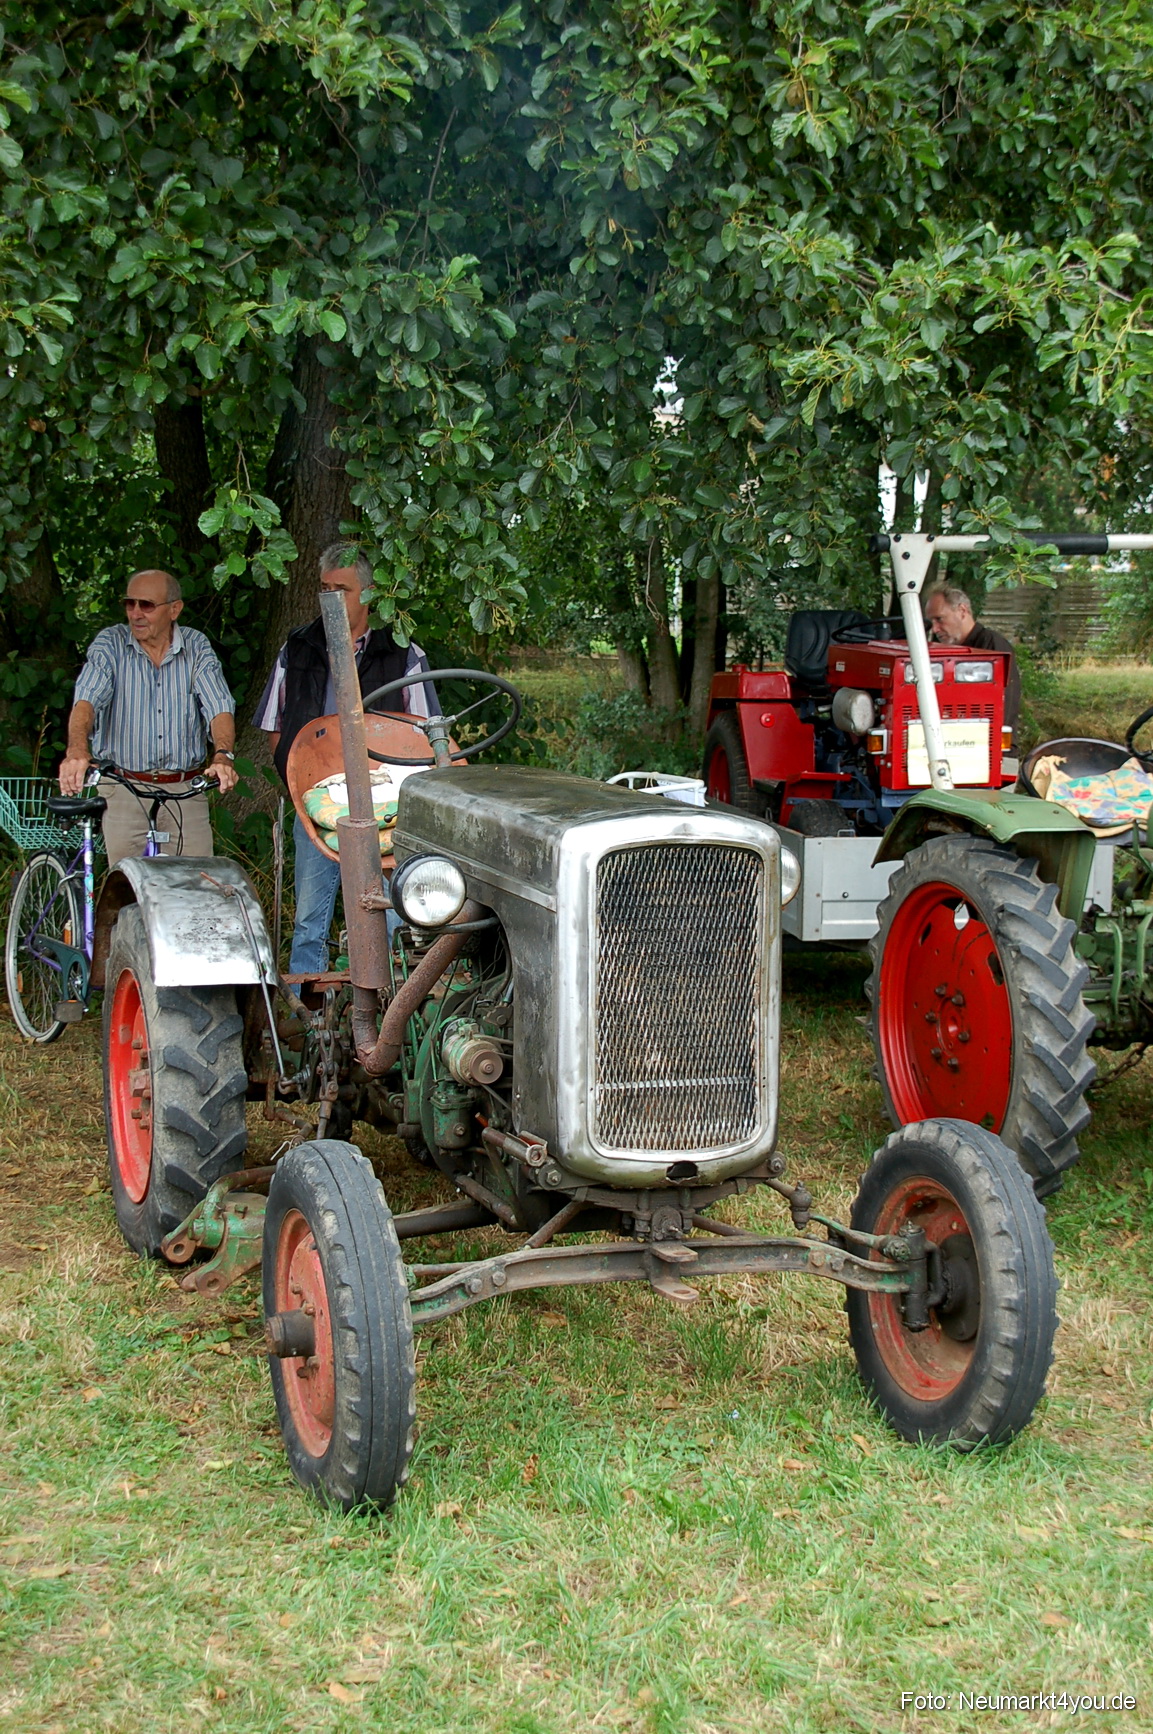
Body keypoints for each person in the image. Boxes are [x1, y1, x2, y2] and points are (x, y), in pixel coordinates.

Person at [253, 542, 437, 975]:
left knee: (393, 913)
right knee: (309, 920)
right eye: (325, 588)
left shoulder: (402, 652)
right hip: (317, 803)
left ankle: (394, 1003)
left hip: (387, 808)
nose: (330, 598)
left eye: (342, 589)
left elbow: (426, 739)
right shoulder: (298, 647)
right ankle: (309, 1008)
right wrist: (302, 787)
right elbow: (276, 726)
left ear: (368, 594)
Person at [58, 569, 237, 866]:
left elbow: (219, 707)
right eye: (130, 604)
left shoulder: (196, 646)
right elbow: (86, 700)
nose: (136, 613)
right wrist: (77, 750)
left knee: (196, 882)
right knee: (126, 884)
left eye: (147, 605)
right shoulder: (111, 644)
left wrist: (223, 756)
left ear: (174, 609)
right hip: (124, 786)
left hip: (183, 788)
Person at [924, 584, 1021, 733]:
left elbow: (1005, 703)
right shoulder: (944, 649)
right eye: (932, 622)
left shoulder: (992, 646)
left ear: (962, 611)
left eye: (939, 619)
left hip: (988, 740)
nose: (935, 629)